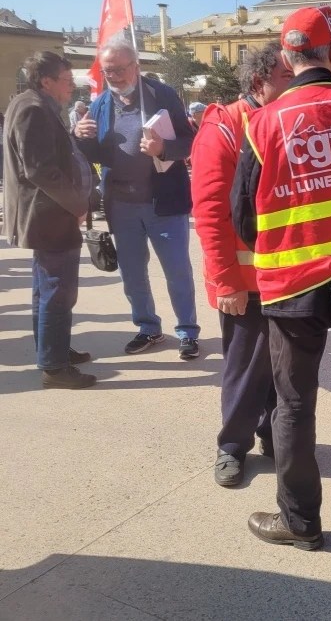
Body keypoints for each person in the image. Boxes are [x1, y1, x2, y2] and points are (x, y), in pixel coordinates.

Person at [232, 6, 331, 550]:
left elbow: (242, 217)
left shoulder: (260, 124)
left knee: (295, 404)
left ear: (287, 57)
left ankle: (301, 522)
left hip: (292, 283)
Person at [191, 43, 291, 487]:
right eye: (287, 77)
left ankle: (273, 435)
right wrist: (226, 281)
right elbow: (210, 212)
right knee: (246, 368)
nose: (297, 83)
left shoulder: (288, 119)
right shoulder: (225, 126)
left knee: (280, 367)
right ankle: (232, 446)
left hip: (288, 276)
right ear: (258, 82)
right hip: (245, 280)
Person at [73, 37, 200, 359]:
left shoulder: (162, 95)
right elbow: (96, 154)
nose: (114, 77)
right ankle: (148, 328)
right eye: (108, 71)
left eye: (120, 69)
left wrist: (163, 149)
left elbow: (190, 140)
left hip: (164, 203)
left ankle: (187, 331)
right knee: (132, 273)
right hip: (121, 205)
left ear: (136, 66)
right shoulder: (101, 104)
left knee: (177, 271)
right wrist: (81, 138)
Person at [2, 52, 95, 388]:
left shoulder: (35, 104)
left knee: (47, 289)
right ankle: (54, 367)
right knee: (57, 290)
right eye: (66, 80)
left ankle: (53, 350)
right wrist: (78, 204)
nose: (71, 86)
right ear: (46, 81)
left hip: (48, 214)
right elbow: (40, 169)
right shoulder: (33, 109)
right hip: (49, 216)